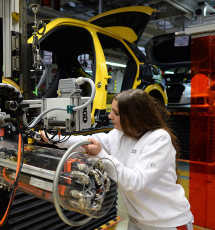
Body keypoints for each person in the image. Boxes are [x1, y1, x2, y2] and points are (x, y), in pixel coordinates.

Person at [41, 89, 193, 230]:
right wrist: (52, 139)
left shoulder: (158, 139)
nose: (110, 116)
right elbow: (85, 141)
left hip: (168, 222)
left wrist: (101, 154)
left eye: (116, 113)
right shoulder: (119, 134)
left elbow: (135, 181)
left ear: (133, 116)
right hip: (137, 219)